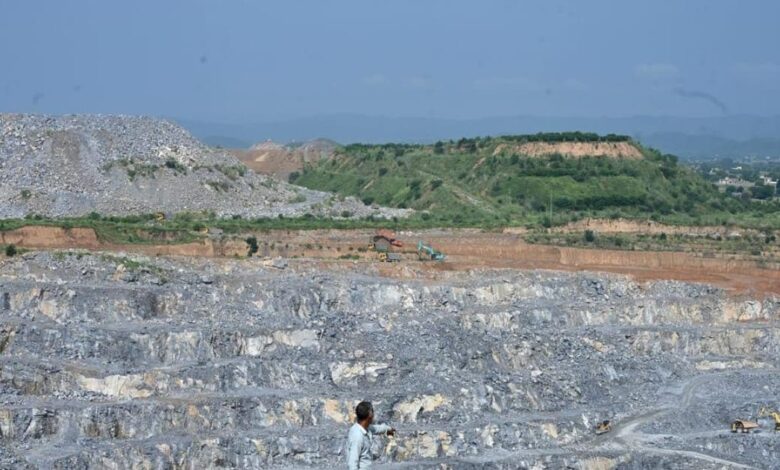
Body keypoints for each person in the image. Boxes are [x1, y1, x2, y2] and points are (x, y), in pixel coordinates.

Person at [346, 401, 395, 469]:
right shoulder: (358, 436)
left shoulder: (364, 428)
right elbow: (352, 464)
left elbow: (377, 429)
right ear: (370, 415)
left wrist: (389, 429)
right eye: (373, 412)